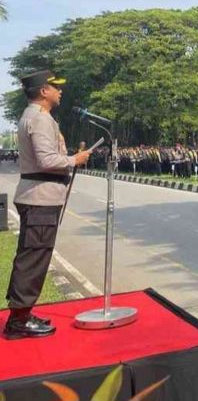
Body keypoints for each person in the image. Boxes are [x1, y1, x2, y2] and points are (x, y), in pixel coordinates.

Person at [4, 70, 92, 340]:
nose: (60, 91)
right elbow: (46, 161)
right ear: (44, 91)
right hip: (40, 198)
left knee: (32, 255)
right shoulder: (40, 119)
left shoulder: (34, 116)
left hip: (38, 197)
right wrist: (74, 160)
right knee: (34, 258)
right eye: (56, 87)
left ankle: (23, 312)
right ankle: (18, 321)